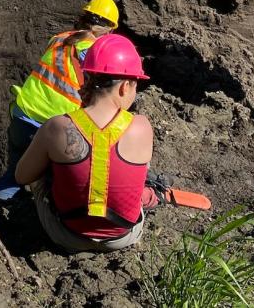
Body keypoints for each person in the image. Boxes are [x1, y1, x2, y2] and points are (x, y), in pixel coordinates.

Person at [14, 33, 157, 253]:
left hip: (66, 235)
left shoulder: (57, 127)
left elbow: (22, 176)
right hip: (123, 236)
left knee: (42, 171)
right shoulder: (142, 127)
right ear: (124, 87)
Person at [0, 0, 121, 199]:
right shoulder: (92, 51)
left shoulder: (59, 38)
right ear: (110, 30)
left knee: (14, 178)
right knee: (56, 185)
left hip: (23, 115)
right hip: (54, 127)